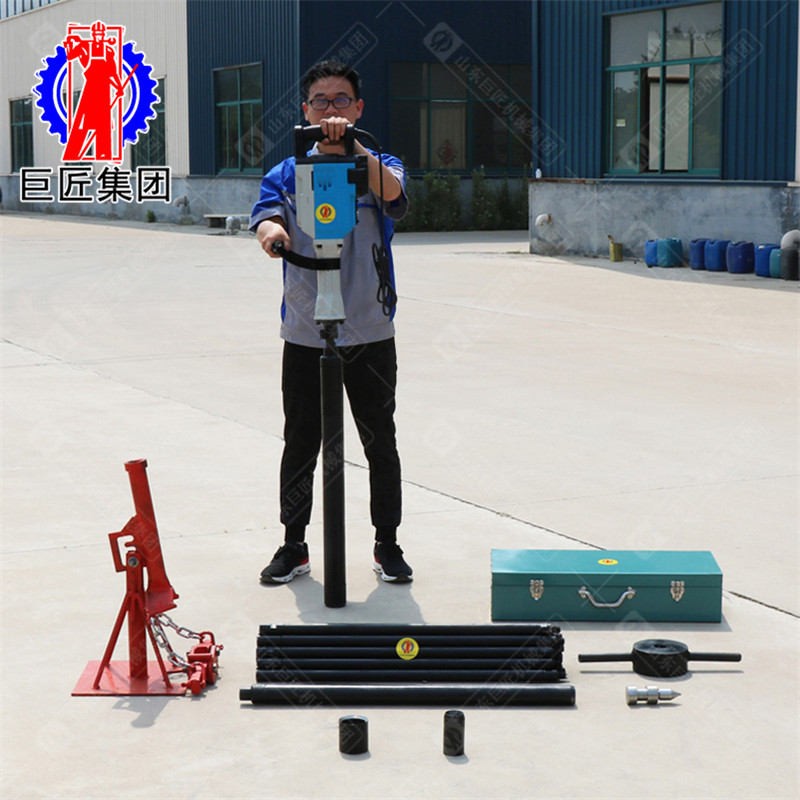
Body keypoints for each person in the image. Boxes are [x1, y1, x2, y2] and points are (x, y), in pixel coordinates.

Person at [250, 60, 412, 584]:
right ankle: (294, 544)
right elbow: (266, 215)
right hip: (306, 328)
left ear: (358, 108)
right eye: (320, 102)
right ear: (305, 109)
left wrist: (356, 148)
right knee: (301, 440)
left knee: (378, 439)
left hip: (369, 328)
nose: (331, 111)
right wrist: (274, 235)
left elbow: (394, 196)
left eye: (342, 100)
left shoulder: (378, 164)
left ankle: (387, 543)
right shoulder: (287, 171)